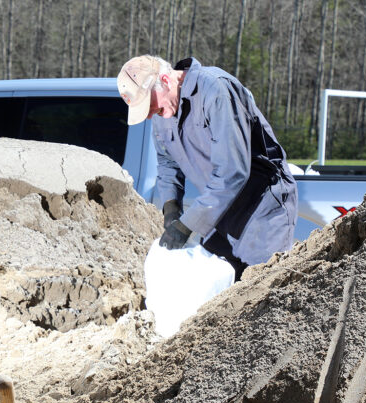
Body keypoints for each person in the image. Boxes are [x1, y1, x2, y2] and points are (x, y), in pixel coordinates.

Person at [117, 55, 297, 280]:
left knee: (260, 291)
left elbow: (232, 172)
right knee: (220, 296)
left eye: (151, 104)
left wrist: (187, 225)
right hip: (218, 215)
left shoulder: (216, 90)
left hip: (261, 212)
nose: (151, 112)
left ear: (166, 79)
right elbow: (167, 161)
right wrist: (171, 207)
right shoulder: (164, 109)